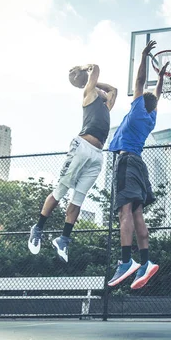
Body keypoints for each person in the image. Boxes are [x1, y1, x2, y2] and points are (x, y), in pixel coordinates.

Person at [28, 63, 117, 262]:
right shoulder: (89, 95)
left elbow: (114, 90)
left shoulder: (106, 107)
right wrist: (87, 75)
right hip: (81, 147)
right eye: (98, 89)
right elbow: (96, 68)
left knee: (78, 199)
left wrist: (98, 86)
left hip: (97, 155)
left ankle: (63, 239)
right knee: (60, 191)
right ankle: (38, 227)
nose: (104, 92)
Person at [106, 40, 169, 289]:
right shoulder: (151, 117)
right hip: (139, 165)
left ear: (142, 101)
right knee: (137, 213)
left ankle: (125, 261)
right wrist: (162, 78)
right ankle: (145, 262)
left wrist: (143, 57)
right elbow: (157, 95)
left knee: (124, 213)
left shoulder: (138, 110)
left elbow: (140, 83)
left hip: (127, 161)